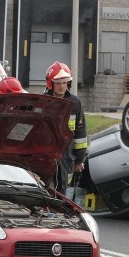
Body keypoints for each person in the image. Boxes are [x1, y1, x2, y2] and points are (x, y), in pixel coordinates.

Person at [42, 61, 87, 194]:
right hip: (46, 156)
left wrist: (79, 161)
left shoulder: (75, 102)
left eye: (65, 82)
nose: (62, 86)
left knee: (62, 192)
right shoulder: (43, 101)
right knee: (45, 190)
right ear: (51, 83)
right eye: (58, 83)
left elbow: (80, 134)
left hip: (67, 158)